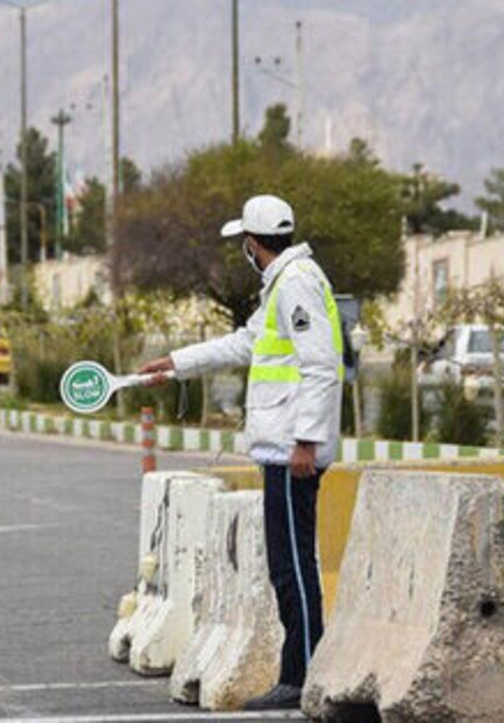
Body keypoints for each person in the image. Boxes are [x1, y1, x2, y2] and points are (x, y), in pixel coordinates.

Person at [139, 194, 343, 711]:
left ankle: (300, 678)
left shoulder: (296, 282)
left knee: (294, 567)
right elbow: (243, 344)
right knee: (285, 565)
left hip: (292, 451)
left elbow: (320, 364)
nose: (244, 252)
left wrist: (305, 441)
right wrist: (177, 364)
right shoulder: (283, 285)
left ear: (253, 244)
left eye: (243, 245)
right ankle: (298, 673)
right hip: (281, 448)